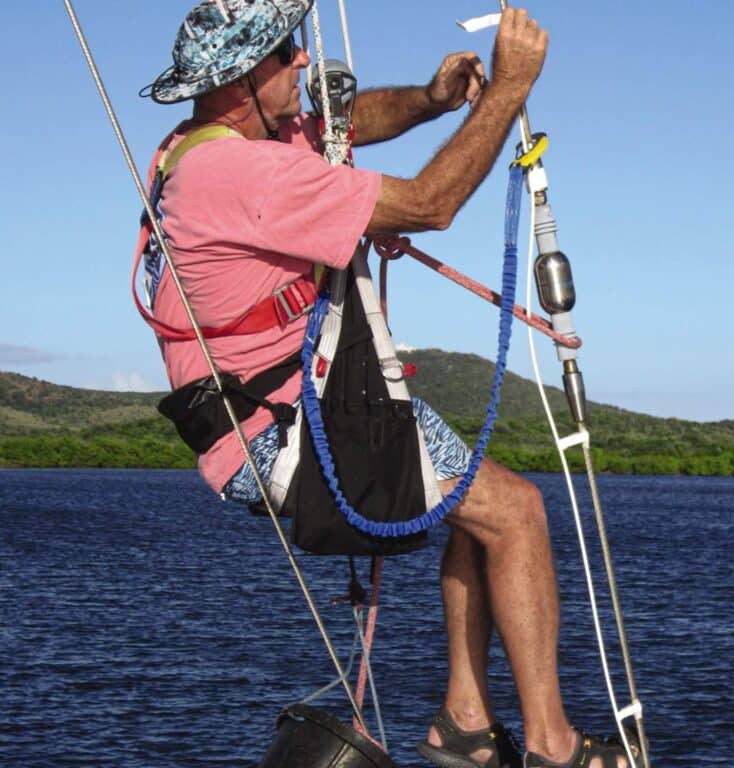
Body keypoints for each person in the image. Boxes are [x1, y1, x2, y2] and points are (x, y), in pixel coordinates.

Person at [137, 2, 634, 767]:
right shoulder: (239, 172)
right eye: (286, 54)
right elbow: (432, 204)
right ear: (240, 79)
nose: (305, 63)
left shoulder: (210, 141)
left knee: (481, 516)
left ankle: (466, 721)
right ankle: (553, 747)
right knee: (518, 514)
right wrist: (509, 87)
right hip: (283, 430)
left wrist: (434, 101)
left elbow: (342, 128)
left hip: (278, 405)